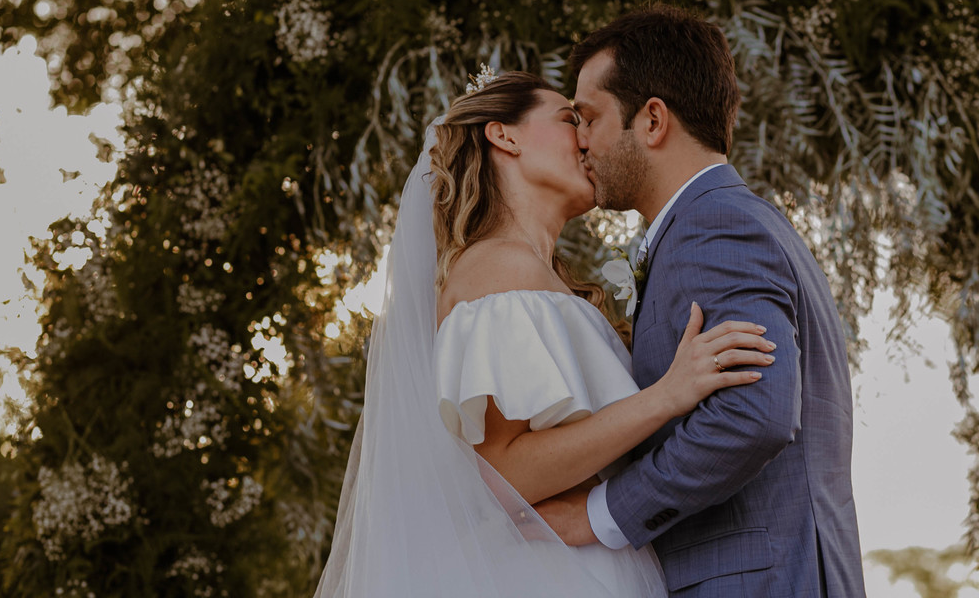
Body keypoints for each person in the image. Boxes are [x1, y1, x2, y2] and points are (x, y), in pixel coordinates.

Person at [313, 70, 776, 597]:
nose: (585, 137)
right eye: (567, 119)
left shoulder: (538, 277)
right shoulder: (494, 271)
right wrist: (666, 396)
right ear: (503, 135)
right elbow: (503, 472)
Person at [534, 4, 867, 597]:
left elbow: (752, 415)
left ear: (653, 120)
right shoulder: (724, 222)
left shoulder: (714, 226)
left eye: (588, 118)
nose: (579, 141)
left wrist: (600, 515)